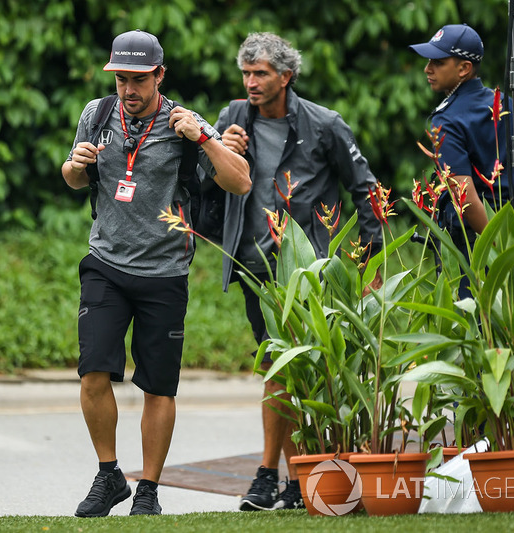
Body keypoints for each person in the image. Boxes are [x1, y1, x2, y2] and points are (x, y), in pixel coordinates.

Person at [61, 29, 250, 517]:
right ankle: (109, 477)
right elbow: (75, 178)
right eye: (122, 79)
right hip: (104, 262)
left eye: (139, 79)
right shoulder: (96, 114)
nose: (129, 89)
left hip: (165, 271)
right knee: (93, 374)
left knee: (158, 386)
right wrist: (75, 166)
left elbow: (241, 181)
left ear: (159, 75)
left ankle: (147, 489)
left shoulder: (184, 121)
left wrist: (203, 137)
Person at [214, 32, 383, 511]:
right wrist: (222, 148)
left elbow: (365, 190)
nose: (251, 81)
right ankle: (290, 480)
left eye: (261, 73)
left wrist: (367, 265)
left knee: (291, 369)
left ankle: (277, 476)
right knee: (279, 368)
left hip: (309, 273)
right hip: (254, 268)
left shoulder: (324, 125)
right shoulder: (232, 117)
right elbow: (208, 178)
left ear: (286, 76)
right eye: (246, 72)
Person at [409, 23, 514, 298]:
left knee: (476, 332)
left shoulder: (445, 120)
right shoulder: (509, 105)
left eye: (438, 62)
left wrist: (498, 252)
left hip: (475, 249)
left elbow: (467, 198)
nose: (428, 69)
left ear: (463, 69)